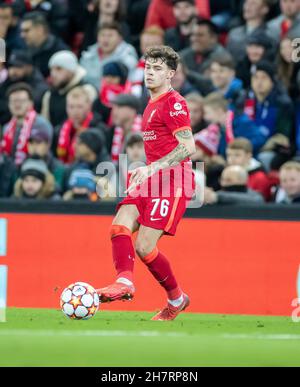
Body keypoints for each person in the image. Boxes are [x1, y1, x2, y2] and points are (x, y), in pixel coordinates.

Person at [96, 45, 196, 321]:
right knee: (119, 224)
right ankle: (125, 283)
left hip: (174, 179)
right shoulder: (150, 101)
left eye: (158, 69)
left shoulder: (174, 103)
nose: (150, 73)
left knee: (144, 247)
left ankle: (177, 299)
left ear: (171, 74)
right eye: (148, 68)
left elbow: (188, 146)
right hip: (151, 176)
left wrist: (154, 167)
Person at [245, 61, 294, 171]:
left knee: (265, 157)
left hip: (270, 150)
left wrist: (265, 145)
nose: (259, 82)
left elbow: (282, 137)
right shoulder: (245, 100)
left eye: (264, 78)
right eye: (256, 78)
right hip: (247, 146)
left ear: (272, 81)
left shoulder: (282, 103)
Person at [1, 82, 53, 166]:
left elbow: (46, 152)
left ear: (31, 103)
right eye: (13, 101)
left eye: (21, 101)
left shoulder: (41, 124)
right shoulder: (6, 128)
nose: (17, 104)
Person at [41, 50, 97, 127]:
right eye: (51, 69)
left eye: (59, 69)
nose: (53, 74)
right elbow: (45, 126)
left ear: (71, 70)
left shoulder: (87, 90)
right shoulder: (49, 95)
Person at [202, 92, 267, 157]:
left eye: (207, 113)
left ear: (219, 111)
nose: (205, 117)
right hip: (227, 163)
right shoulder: (219, 128)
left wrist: (239, 149)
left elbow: (259, 140)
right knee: (200, 161)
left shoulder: (241, 122)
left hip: (245, 163)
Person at [54, 86, 106, 164]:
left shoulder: (99, 130)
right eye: (71, 107)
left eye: (79, 107)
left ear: (89, 106)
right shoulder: (59, 130)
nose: (75, 111)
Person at [79, 21, 138, 90]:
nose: (106, 39)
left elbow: (131, 83)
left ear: (120, 39)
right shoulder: (87, 56)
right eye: (102, 35)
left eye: (110, 35)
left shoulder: (128, 58)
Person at [0, 50, 49, 125]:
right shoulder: (10, 80)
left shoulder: (39, 85)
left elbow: (29, 107)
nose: (13, 71)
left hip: (31, 125)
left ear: (29, 67)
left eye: (18, 66)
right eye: (11, 66)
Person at [20, 11, 68, 78]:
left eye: (26, 30)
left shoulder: (60, 52)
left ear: (40, 29)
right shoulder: (26, 48)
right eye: (22, 31)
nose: (22, 35)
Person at [27, 125, 66, 193]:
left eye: (38, 143)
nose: (34, 147)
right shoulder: (24, 164)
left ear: (48, 145)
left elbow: (57, 188)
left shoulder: (57, 166)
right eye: (31, 143)